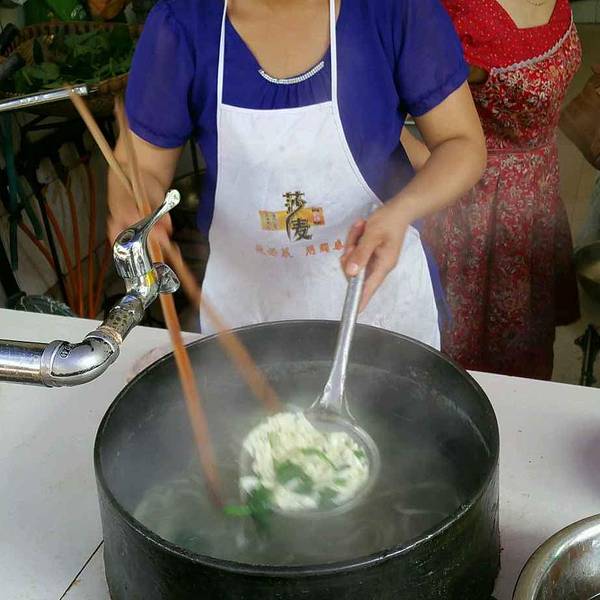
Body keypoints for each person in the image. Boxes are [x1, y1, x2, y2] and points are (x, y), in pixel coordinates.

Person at [108, 0, 486, 346]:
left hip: (381, 306)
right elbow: (139, 167)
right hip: (249, 313)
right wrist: (136, 209)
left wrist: (402, 210)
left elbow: (461, 143)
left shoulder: (395, 10)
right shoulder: (183, 22)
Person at [420, 0, 581, 378]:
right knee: (469, 354)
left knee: (526, 342)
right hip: (478, 210)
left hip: (539, 191)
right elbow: (380, 89)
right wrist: (430, 164)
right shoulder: (460, 12)